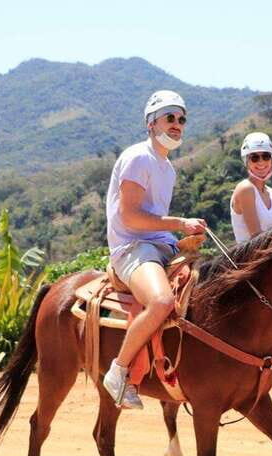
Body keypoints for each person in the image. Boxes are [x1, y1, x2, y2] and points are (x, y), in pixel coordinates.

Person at [102, 90, 207, 409]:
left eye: (181, 119)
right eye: (170, 118)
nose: (177, 125)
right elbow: (129, 216)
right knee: (162, 301)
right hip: (133, 249)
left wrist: (181, 239)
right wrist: (179, 223)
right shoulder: (138, 157)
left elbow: (154, 219)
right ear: (151, 123)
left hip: (160, 248)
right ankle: (119, 372)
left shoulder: (167, 168)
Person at [230, 132, 272, 243]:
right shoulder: (245, 188)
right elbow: (256, 237)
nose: (261, 162)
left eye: (266, 156)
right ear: (246, 161)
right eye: (254, 158)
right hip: (250, 258)